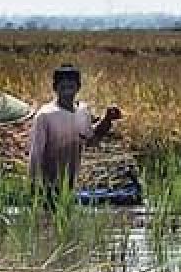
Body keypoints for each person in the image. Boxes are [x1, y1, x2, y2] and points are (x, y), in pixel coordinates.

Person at [28, 64, 122, 202]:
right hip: (47, 186)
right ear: (55, 88)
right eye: (63, 88)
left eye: (71, 87)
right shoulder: (45, 115)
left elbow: (92, 139)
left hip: (70, 185)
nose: (67, 92)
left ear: (78, 88)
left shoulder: (82, 111)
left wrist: (107, 120)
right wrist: (34, 187)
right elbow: (36, 154)